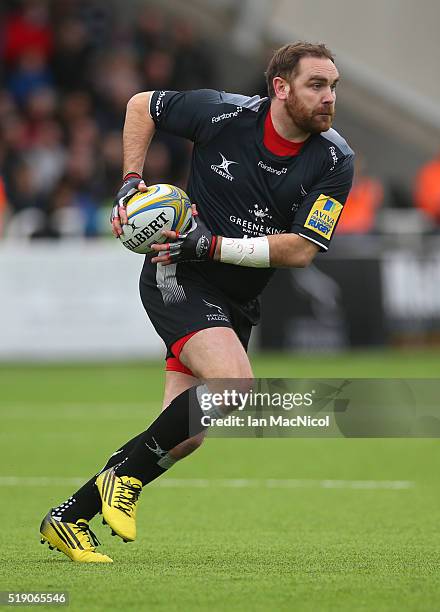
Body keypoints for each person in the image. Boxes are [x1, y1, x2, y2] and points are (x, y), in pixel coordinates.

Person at [40, 41, 354, 562]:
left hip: (236, 299)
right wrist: (130, 183)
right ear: (280, 88)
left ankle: (68, 518)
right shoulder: (225, 114)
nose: (329, 98)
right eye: (316, 85)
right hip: (178, 273)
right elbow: (141, 104)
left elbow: (299, 250)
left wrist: (214, 244)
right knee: (234, 385)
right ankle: (126, 483)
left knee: (182, 434)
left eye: (334, 87)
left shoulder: (334, 160)